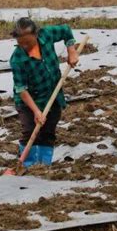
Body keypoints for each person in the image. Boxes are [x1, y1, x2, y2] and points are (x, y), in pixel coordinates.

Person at [9, 17, 79, 166]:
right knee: (30, 131)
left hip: (52, 95)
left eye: (28, 42)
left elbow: (66, 30)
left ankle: (44, 165)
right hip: (28, 101)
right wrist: (36, 111)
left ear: (36, 34)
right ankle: (27, 165)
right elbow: (21, 89)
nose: (25, 46)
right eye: (21, 43)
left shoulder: (46, 35)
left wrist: (71, 51)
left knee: (48, 132)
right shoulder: (17, 59)